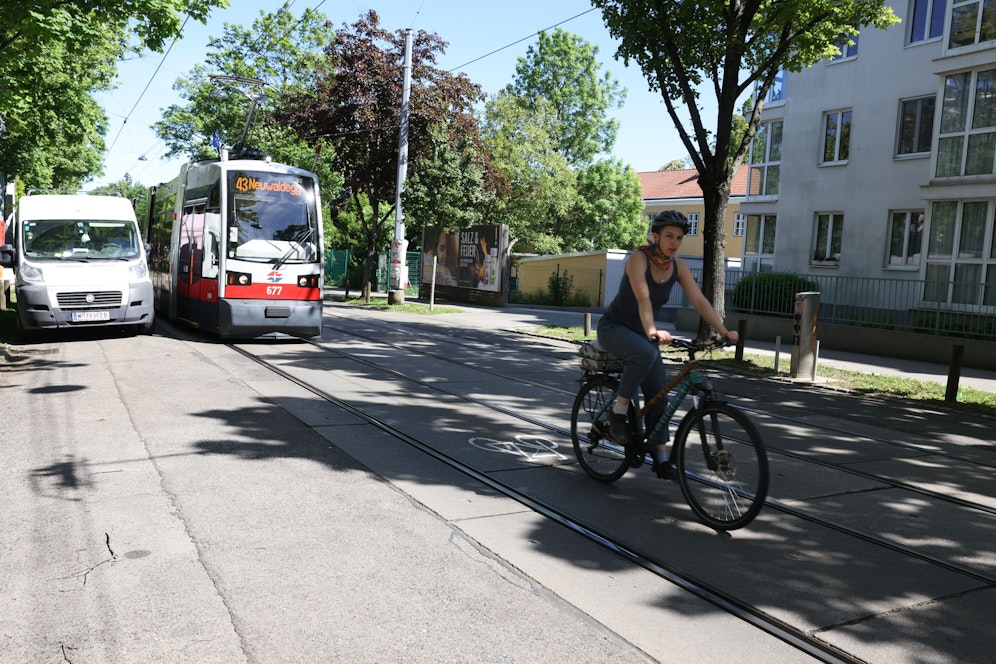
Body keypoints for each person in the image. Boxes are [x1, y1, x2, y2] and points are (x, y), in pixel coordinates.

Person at [596, 210, 739, 478]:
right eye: (669, 236)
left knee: (658, 393)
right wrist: (652, 329)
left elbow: (699, 301)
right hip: (615, 328)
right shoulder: (638, 259)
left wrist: (723, 330)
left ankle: (661, 459)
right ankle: (618, 412)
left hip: (644, 335)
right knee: (643, 354)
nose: (674, 242)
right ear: (656, 237)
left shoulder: (679, 267)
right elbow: (643, 297)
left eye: (679, 238)